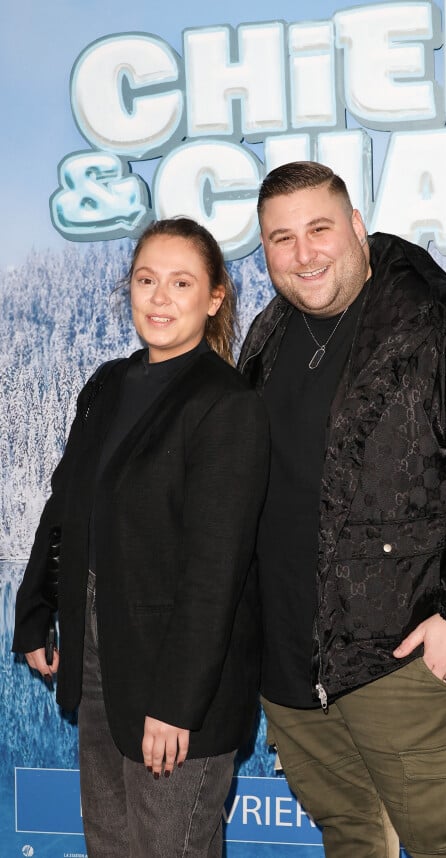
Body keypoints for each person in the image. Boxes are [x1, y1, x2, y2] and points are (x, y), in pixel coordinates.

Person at [238, 162, 446, 858]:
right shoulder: (267, 335)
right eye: (280, 238)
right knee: (352, 839)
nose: (303, 253)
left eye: (319, 228)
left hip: (407, 663)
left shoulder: (444, 328)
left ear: (356, 227)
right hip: (294, 672)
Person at [13, 218, 269, 858]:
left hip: (178, 678)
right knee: (111, 843)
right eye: (146, 280)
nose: (159, 298)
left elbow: (216, 571)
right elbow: (67, 505)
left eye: (180, 282)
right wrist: (37, 607)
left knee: (166, 847)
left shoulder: (225, 404)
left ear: (214, 298)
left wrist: (177, 704)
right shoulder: (107, 385)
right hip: (99, 658)